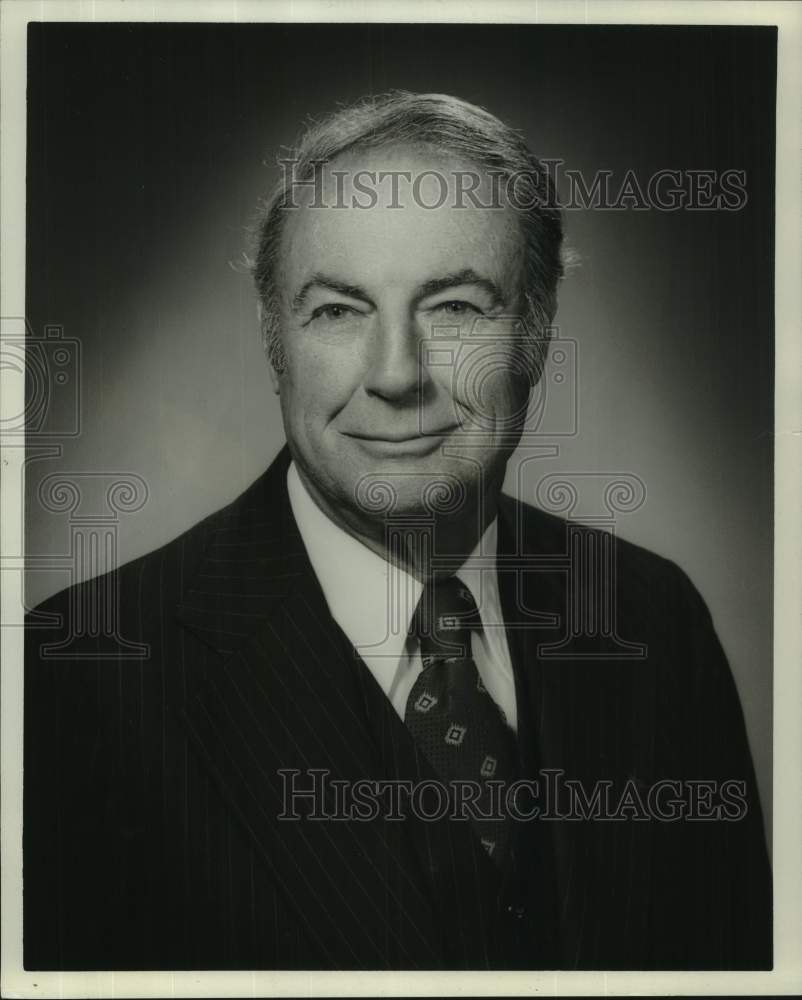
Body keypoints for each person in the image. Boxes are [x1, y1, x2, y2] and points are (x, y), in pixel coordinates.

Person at [23, 91, 771, 971]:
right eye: (337, 311)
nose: (396, 375)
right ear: (275, 343)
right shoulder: (81, 677)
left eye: (455, 307)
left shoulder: (654, 618)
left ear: (535, 334)